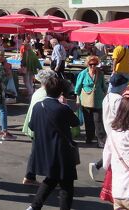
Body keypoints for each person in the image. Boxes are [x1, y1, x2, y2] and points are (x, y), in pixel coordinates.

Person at [26, 74, 80, 210]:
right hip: (62, 152)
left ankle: (34, 206)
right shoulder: (62, 108)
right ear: (61, 92)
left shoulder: (38, 106)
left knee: (51, 179)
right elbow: (76, 122)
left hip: (45, 150)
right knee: (66, 185)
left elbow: (32, 126)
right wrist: (65, 105)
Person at [88, 73, 129, 181]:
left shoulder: (108, 96)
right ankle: (100, 168)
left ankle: (97, 166)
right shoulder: (119, 99)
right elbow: (121, 117)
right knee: (118, 154)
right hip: (117, 131)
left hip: (109, 128)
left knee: (112, 152)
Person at [22, 69, 58, 185]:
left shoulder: (39, 91)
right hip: (42, 127)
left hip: (35, 125)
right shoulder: (45, 93)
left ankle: (30, 176)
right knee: (50, 152)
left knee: (35, 152)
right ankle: (51, 179)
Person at [74, 55, 107, 148]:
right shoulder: (83, 74)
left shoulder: (100, 73)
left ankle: (101, 140)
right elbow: (77, 88)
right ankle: (89, 137)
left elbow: (104, 86)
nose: (93, 66)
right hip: (86, 100)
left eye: (95, 64)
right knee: (88, 121)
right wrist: (77, 100)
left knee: (98, 121)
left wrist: (106, 95)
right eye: (91, 64)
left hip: (98, 100)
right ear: (88, 64)